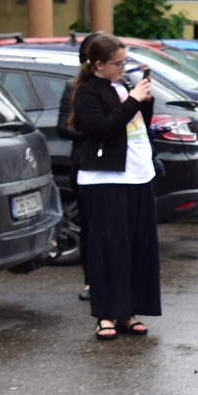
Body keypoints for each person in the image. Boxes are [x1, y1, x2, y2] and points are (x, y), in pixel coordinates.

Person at [68, 35, 162, 340]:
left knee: (136, 246)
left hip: (137, 173)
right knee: (109, 248)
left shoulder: (121, 86)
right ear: (98, 65)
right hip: (106, 178)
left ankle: (128, 312)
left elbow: (138, 124)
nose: (123, 67)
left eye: (124, 62)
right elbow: (102, 128)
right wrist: (134, 99)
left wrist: (145, 100)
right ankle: (105, 315)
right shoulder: (87, 92)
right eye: (117, 63)